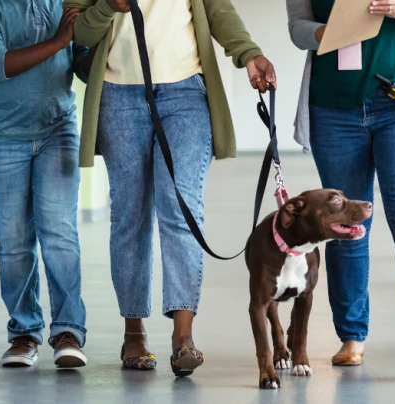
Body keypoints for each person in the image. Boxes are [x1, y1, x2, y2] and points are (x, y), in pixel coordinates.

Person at [64, 0, 276, 376]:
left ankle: (183, 337)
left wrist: (249, 54)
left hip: (186, 93)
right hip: (117, 95)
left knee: (180, 208)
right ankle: (134, 333)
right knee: (130, 216)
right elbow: (78, 31)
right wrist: (108, 8)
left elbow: (218, 11)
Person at [286, 0, 395, 372]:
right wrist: (327, 34)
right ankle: (351, 335)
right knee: (342, 225)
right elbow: (297, 26)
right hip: (333, 109)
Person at [0, 1, 90, 368]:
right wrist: (59, 41)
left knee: (60, 233)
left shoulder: (66, 3)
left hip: (58, 130)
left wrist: (99, 40)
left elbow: (82, 63)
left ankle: (69, 331)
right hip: (3, 137)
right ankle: (24, 333)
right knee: (14, 242)